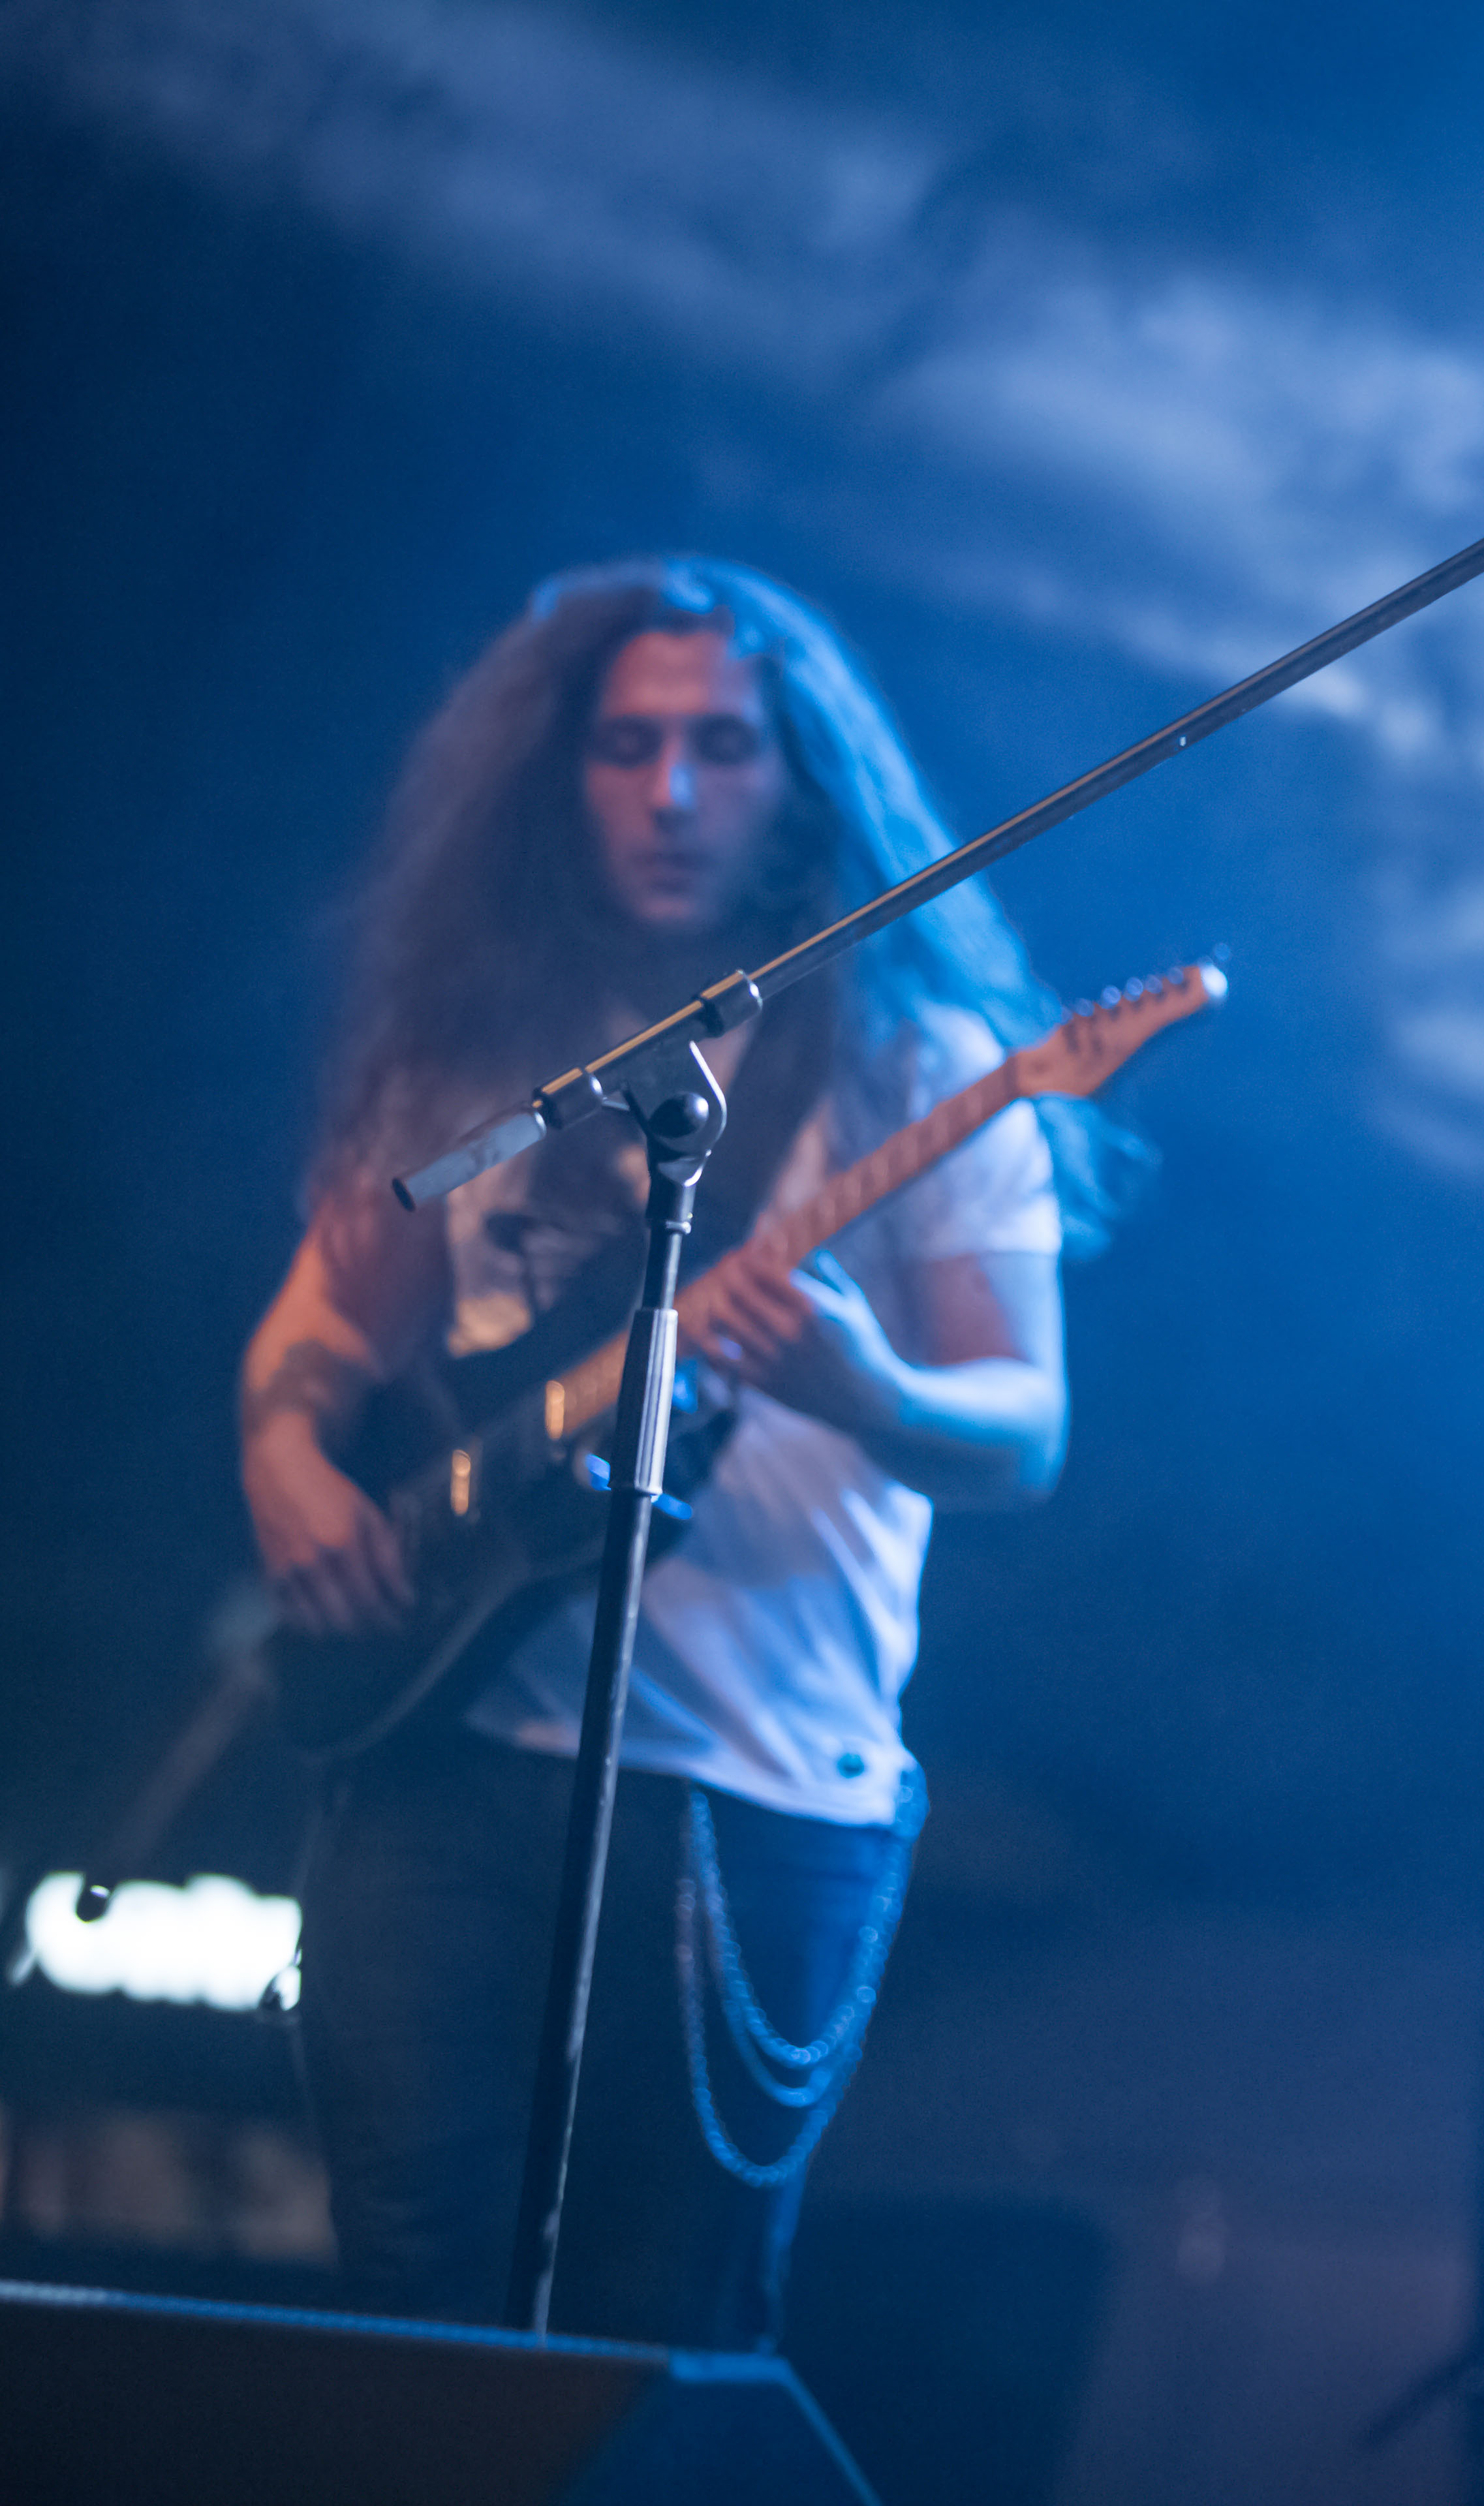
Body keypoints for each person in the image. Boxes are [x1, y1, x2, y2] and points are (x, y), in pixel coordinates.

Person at [240, 556, 1119, 2345]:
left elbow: (1023, 1430)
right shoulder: (477, 1054)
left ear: (798, 780)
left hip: (756, 1793)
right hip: (446, 1759)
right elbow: (317, 1330)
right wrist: (292, 1465)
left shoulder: (917, 1064)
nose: (671, 791)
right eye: (628, 746)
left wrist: (869, 1386)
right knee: (405, 2311)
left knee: (664, 2343)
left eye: (722, 746)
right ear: (557, 776)